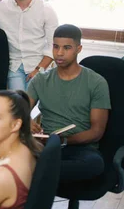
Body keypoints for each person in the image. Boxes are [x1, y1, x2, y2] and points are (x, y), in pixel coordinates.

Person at [28, 24, 109, 182]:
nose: (59, 53)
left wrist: (63, 141)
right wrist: (25, 119)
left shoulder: (96, 82)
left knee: (94, 163)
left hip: (78, 148)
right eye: (55, 47)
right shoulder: (40, 79)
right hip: (45, 146)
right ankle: (40, 171)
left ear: (78, 49)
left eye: (67, 48)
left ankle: (36, 171)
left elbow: (96, 132)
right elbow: (19, 108)